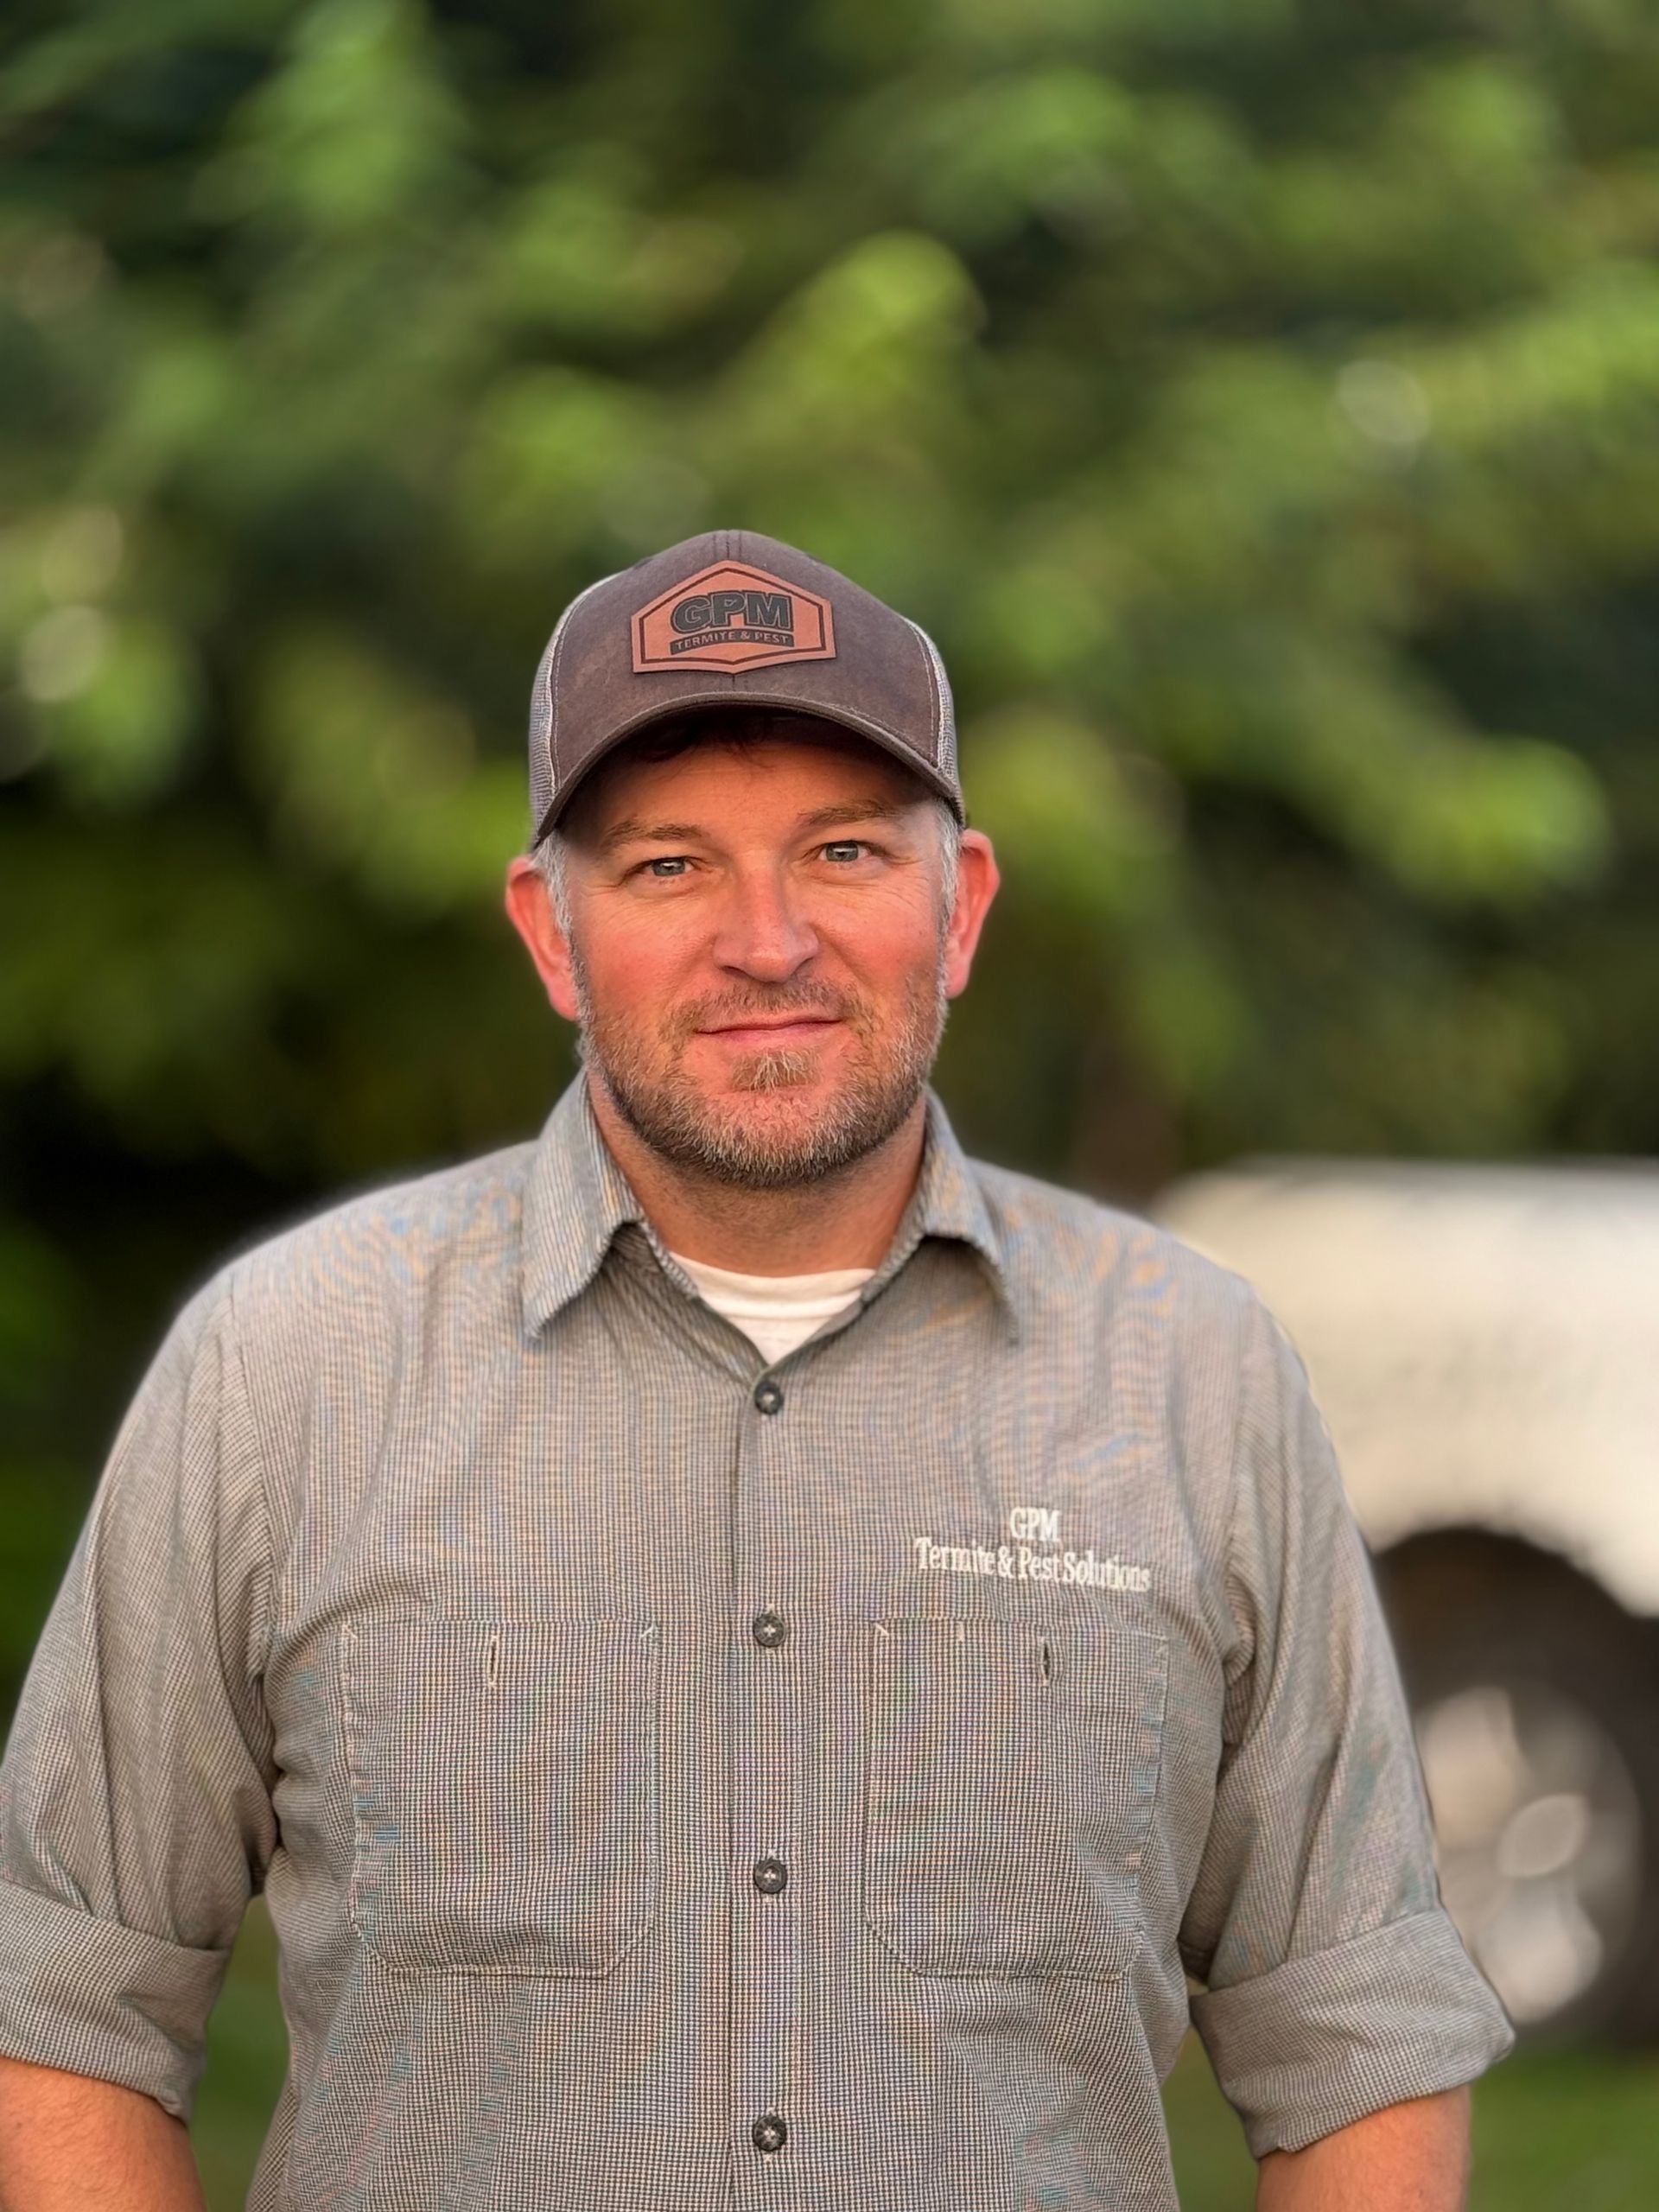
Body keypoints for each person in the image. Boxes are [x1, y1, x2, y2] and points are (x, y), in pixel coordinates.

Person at [0, 531, 1512, 2210]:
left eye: (846, 849)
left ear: (964, 907)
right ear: (550, 932)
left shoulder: (1195, 1371)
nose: (769, 938)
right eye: (667, 866)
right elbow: (72, 2002)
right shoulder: (283, 1362)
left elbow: (1354, 2031)